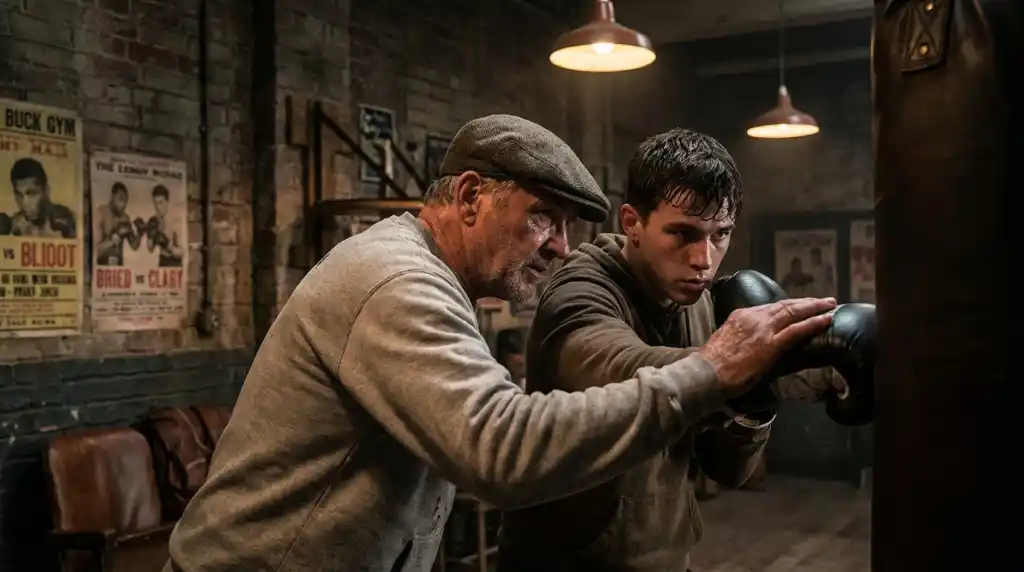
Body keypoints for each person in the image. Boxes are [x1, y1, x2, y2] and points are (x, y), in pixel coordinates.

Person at [162, 115, 835, 572]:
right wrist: (719, 369)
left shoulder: (434, 280)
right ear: (471, 197)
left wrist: (748, 392)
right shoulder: (396, 280)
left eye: (568, 225)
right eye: (544, 217)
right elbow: (498, 449)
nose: (560, 246)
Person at [497, 128, 840, 572]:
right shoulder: (579, 292)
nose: (704, 260)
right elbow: (625, 368)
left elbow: (726, 469)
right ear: (632, 223)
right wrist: (763, 364)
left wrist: (757, 401)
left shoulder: (699, 305)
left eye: (720, 234)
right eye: (682, 234)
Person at [1, 157, 76, 238]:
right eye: (19, 194)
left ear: (46, 191)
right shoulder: (14, 226)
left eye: (32, 193)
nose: (25, 203)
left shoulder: (67, 220)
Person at [94, 182, 141, 266]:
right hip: (102, 265)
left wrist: (140, 233)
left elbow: (134, 246)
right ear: (112, 197)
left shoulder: (125, 218)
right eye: (120, 199)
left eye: (125, 200)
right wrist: (117, 236)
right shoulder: (100, 213)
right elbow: (95, 250)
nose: (123, 204)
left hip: (118, 265)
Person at [145, 184, 183, 267]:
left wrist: (167, 244)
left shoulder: (176, 220)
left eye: (160, 202)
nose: (158, 206)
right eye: (155, 203)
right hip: (162, 261)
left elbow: (182, 253)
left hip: (175, 263)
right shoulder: (153, 220)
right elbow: (150, 249)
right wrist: (151, 236)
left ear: (167, 201)